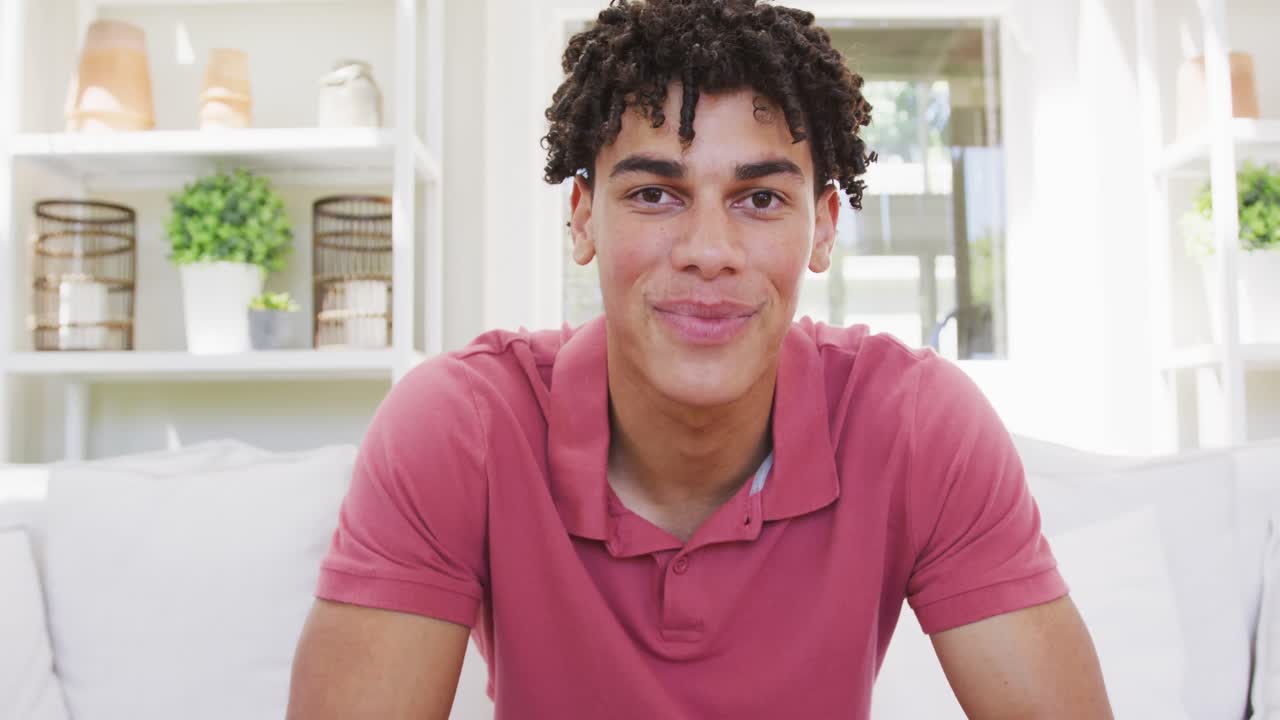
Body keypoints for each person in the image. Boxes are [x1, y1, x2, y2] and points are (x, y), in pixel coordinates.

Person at [287, 1, 1113, 717]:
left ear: (822, 226)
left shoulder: (917, 424)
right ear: (582, 219)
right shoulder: (457, 426)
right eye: (655, 193)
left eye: (760, 199)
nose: (709, 251)